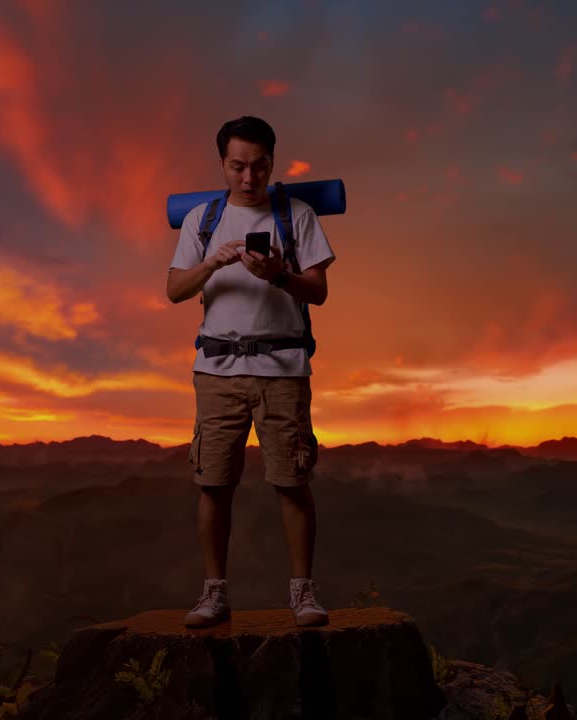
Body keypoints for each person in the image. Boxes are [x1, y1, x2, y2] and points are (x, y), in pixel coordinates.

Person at [166, 116, 336, 628]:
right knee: (213, 483)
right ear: (222, 164)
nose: (248, 177)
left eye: (259, 166)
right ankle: (214, 594)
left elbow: (319, 291)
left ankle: (302, 593)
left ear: (272, 163)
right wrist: (212, 264)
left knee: (292, 481)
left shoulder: (297, 215)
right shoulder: (201, 219)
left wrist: (280, 274)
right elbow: (175, 290)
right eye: (237, 166)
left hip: (283, 368)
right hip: (216, 370)